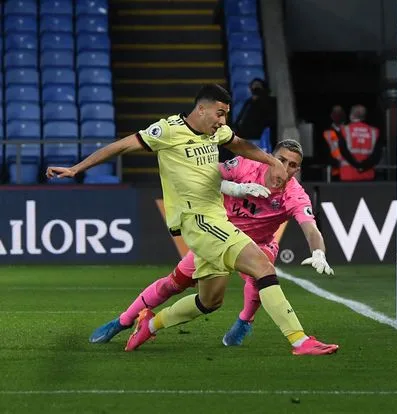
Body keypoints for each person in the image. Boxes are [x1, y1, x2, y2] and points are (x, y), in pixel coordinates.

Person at [47, 84, 338, 356]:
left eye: (226, 115)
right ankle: (299, 340)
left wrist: (271, 161)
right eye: (220, 113)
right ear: (201, 109)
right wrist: (77, 168)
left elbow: (239, 144)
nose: (223, 121)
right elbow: (121, 146)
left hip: (217, 221)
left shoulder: (217, 134)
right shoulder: (167, 130)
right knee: (262, 267)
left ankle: (149, 324)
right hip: (199, 221)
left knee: (210, 301)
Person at [89, 139, 334, 347]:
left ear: (297, 170)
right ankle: (123, 321)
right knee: (178, 286)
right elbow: (204, 176)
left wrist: (318, 252)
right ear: (270, 158)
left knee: (263, 275)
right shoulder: (245, 165)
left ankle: (248, 322)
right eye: (281, 160)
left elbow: (311, 229)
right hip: (218, 236)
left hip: (258, 243)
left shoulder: (295, 195)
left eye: (293, 165)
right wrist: (235, 188)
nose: (286, 168)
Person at [338, 105, 381, 181]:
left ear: (351, 115)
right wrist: (363, 166)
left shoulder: (345, 130)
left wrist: (356, 165)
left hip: (348, 174)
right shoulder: (374, 131)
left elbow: (343, 151)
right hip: (367, 174)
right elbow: (377, 155)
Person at [321, 105, 346, 181]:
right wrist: (334, 163)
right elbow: (323, 152)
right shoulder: (327, 132)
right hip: (333, 171)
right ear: (332, 115)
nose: (338, 115)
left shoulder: (349, 130)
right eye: (336, 113)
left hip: (349, 170)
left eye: (340, 113)